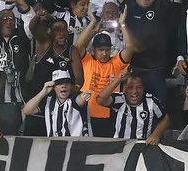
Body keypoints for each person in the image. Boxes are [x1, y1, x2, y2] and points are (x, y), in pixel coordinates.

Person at [104, 0, 188, 104]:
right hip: (133, 69)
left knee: (159, 109)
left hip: (156, 70)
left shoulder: (160, 4)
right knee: (133, 109)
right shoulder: (129, 3)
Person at [74, 9, 135, 137]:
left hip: (110, 113)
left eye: (107, 50)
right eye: (100, 50)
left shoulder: (116, 62)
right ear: (94, 50)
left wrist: (122, 24)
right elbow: (78, 47)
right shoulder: (88, 61)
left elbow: (130, 48)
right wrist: (93, 26)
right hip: (88, 113)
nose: (104, 53)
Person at [0, 0, 34, 135]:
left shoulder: (22, 39)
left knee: (11, 140)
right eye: (4, 18)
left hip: (13, 103)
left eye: (11, 18)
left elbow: (29, 20)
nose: (8, 21)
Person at [96, 68, 170, 144]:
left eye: (138, 87)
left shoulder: (151, 102)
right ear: (124, 88)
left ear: (143, 88)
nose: (134, 92)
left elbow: (165, 119)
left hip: (142, 146)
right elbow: (100, 99)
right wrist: (118, 79)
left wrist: (156, 135)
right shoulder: (119, 100)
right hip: (120, 146)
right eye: (130, 87)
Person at [22, 70, 91, 137]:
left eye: (66, 83)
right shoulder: (49, 101)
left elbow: (80, 100)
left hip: (77, 144)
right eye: (59, 83)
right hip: (55, 144)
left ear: (70, 85)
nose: (63, 86)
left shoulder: (74, 98)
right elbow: (26, 111)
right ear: (53, 87)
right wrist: (43, 92)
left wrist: (84, 97)